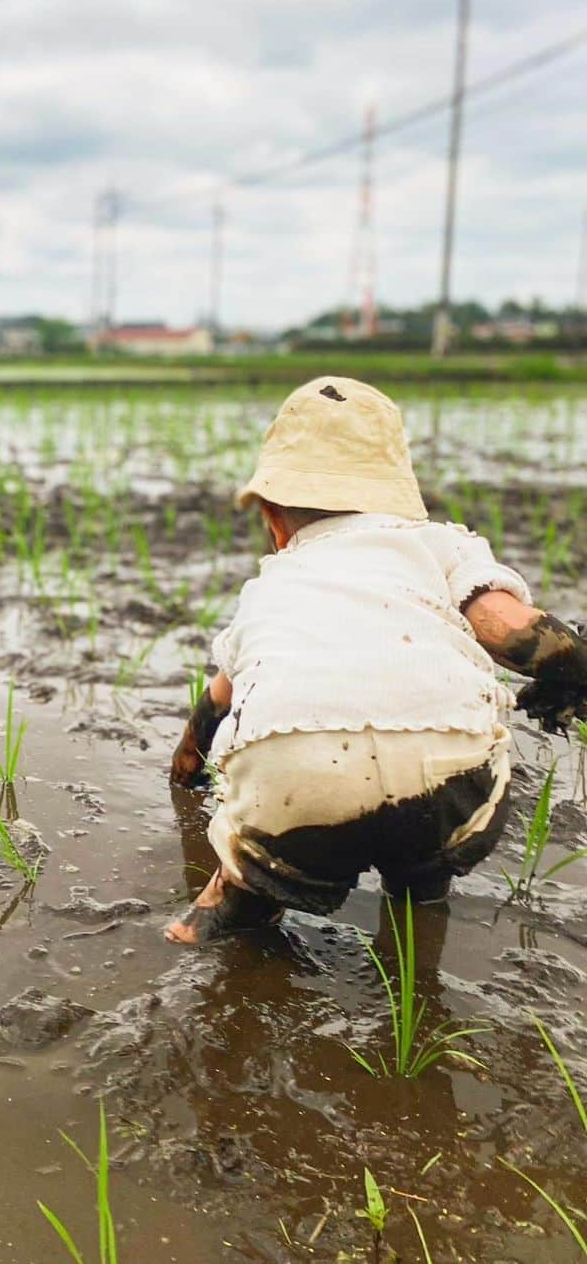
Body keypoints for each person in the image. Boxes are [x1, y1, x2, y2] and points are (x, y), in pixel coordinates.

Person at [166, 375, 587, 945]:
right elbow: (509, 630)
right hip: (445, 765)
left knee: (252, 863)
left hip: (293, 777)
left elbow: (217, 702)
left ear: (273, 518)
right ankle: (420, 894)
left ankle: (231, 900)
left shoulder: (272, 587)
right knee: (425, 862)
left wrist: (185, 768)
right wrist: (572, 670)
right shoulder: (437, 545)